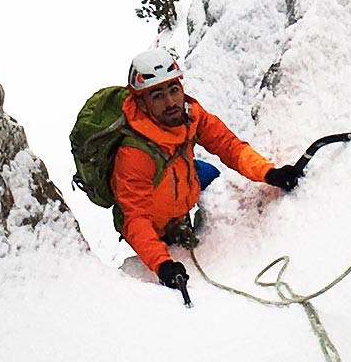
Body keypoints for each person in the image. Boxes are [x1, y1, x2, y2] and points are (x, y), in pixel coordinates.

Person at [114, 48, 304, 295]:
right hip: (156, 222)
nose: (171, 102)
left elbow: (229, 146)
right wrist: (163, 265)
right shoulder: (134, 155)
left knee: (211, 173)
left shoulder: (190, 116)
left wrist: (269, 173)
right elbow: (135, 219)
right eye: (157, 96)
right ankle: (173, 235)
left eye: (173, 90)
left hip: (180, 183)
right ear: (141, 102)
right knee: (161, 238)